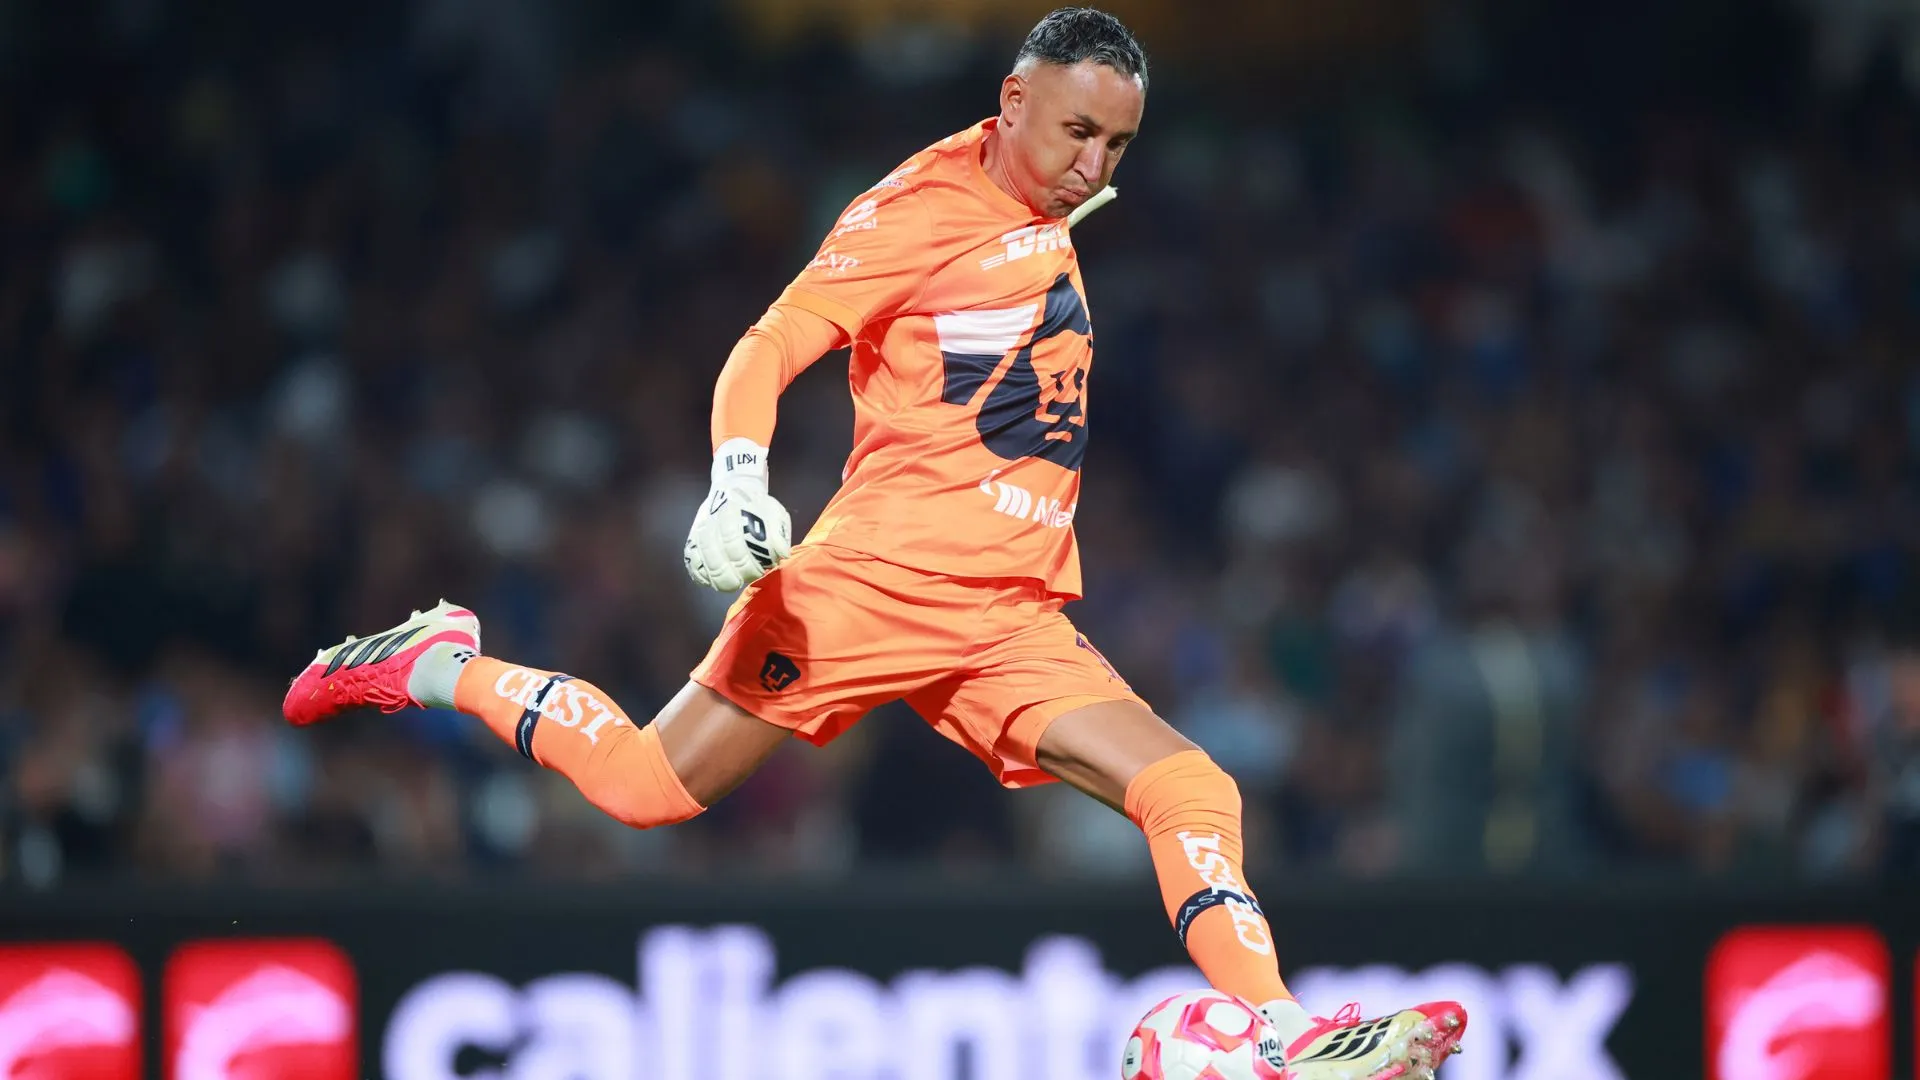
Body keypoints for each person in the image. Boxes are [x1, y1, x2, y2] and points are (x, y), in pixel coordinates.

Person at [282, 9, 1466, 1077]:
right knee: (646, 788)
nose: (1093, 166)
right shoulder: (919, 210)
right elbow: (767, 345)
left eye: (1116, 145)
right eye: (1075, 132)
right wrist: (737, 478)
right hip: (875, 586)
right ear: (1012, 101)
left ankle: (1275, 1027)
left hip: (1007, 614)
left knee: (1189, 784)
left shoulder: (1042, 201)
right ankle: (439, 660)